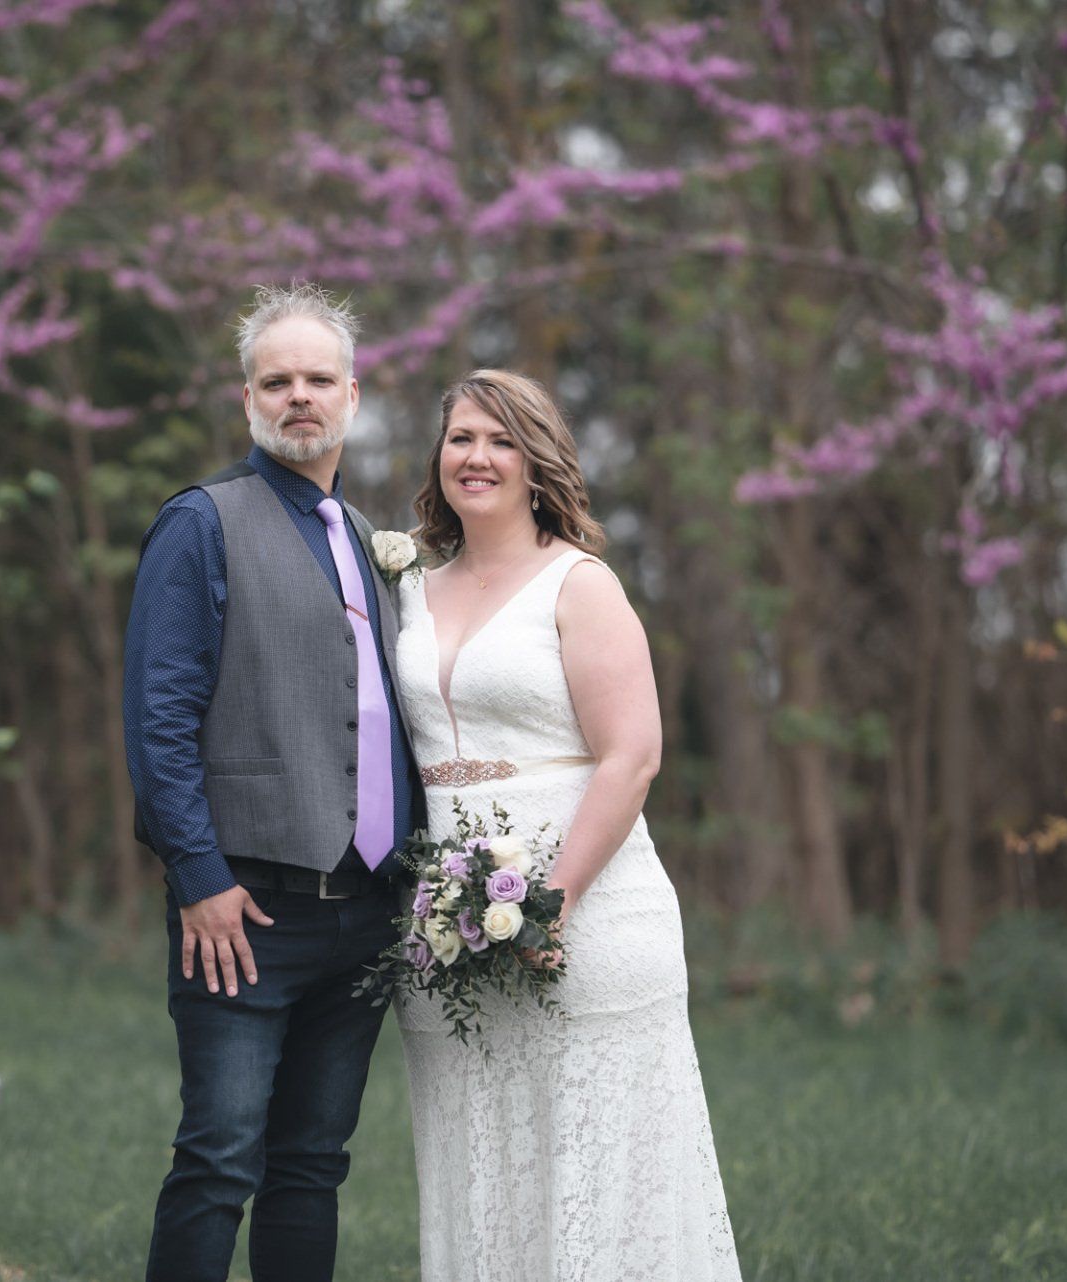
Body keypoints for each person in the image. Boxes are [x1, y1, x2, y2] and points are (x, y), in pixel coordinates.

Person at [392, 369, 741, 1281]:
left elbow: (633, 756)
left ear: (537, 461)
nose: (478, 457)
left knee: (599, 1178)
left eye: (502, 440)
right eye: (462, 437)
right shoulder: (410, 592)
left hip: (586, 923)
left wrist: (550, 902)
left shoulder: (579, 584)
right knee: (484, 1172)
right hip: (446, 939)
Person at [123, 282, 422, 1282]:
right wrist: (199, 877)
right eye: (277, 379)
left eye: (319, 378)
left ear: (353, 394)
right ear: (246, 398)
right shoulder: (200, 525)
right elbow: (157, 722)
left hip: (366, 914)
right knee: (218, 1163)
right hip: (244, 911)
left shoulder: (371, 541)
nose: (300, 395)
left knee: (312, 1167)